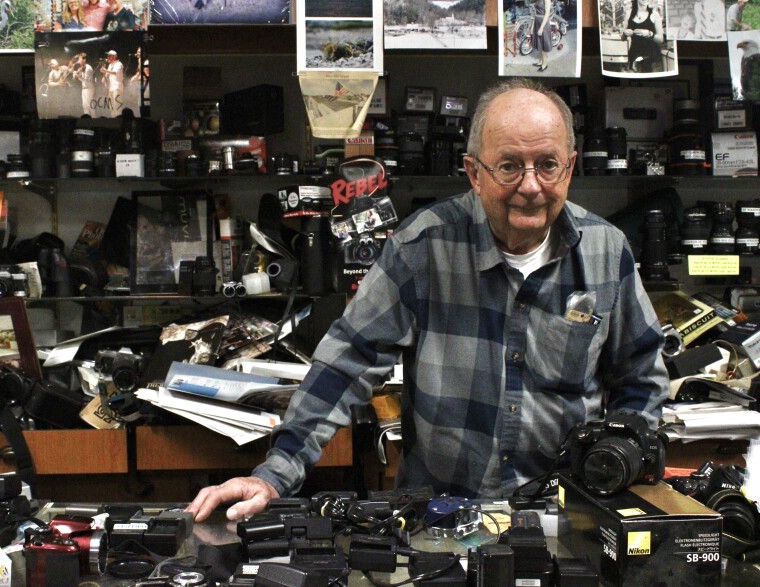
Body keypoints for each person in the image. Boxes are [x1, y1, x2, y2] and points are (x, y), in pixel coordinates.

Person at [186, 78, 670, 523]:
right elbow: (346, 364)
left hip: (567, 515)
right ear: (474, 173)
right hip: (439, 520)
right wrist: (274, 474)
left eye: (547, 165)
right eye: (508, 166)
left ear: (570, 167)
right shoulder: (422, 249)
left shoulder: (607, 253)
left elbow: (641, 375)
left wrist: (623, 458)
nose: (530, 186)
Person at [623, 0, 664, 73]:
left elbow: (661, 39)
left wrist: (649, 34)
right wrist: (625, 34)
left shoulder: (654, 14)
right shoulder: (628, 14)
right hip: (634, 56)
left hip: (651, 58)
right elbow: (622, 38)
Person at [99, 49, 124, 114]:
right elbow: (107, 75)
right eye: (108, 56)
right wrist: (104, 77)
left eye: (109, 56)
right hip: (111, 88)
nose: (108, 57)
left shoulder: (118, 64)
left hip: (117, 88)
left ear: (114, 56)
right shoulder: (110, 65)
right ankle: (114, 119)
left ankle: (118, 119)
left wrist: (105, 70)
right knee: (111, 106)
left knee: (117, 106)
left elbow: (114, 72)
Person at [533, 0, 553, 71]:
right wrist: (533, 26)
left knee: (543, 44)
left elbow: (547, 14)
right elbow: (536, 13)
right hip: (537, 21)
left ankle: (545, 64)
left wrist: (541, 28)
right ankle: (541, 61)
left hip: (543, 23)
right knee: (539, 43)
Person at [73, 52, 95, 116]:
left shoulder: (88, 68)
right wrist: (77, 75)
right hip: (84, 89)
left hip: (89, 89)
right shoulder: (83, 67)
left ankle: (94, 118)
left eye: (80, 59)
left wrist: (78, 76)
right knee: (84, 106)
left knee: (90, 106)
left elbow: (87, 80)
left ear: (84, 60)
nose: (78, 61)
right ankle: (86, 119)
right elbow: (82, 80)